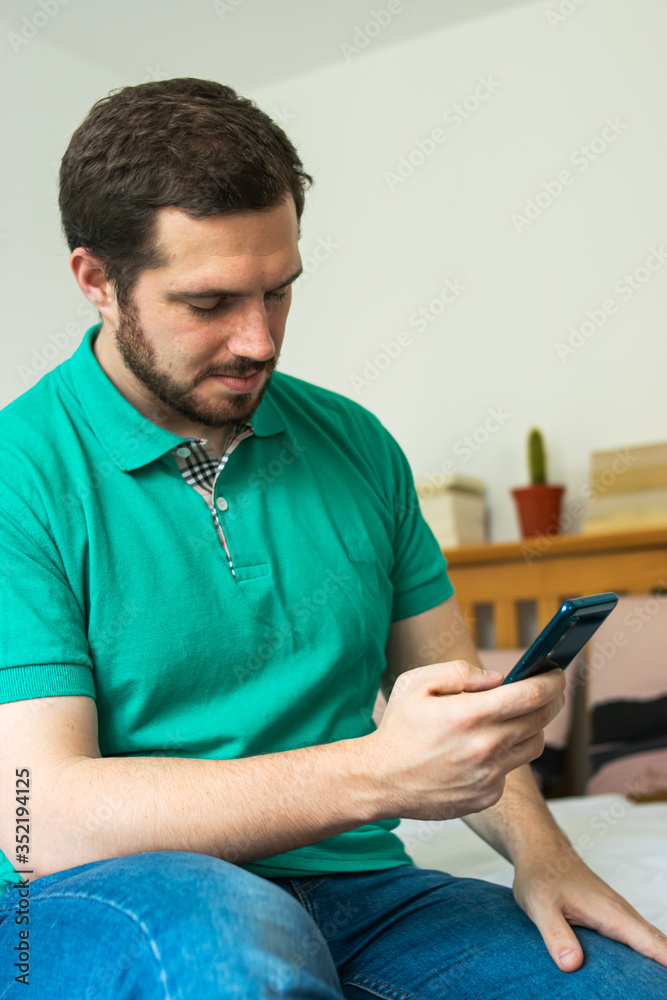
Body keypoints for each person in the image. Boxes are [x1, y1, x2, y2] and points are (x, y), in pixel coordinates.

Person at [0, 77, 665, 1000]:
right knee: (234, 960)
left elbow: (458, 704)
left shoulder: (354, 444)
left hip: (365, 891)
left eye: (279, 291)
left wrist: (543, 853)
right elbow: (39, 823)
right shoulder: (18, 471)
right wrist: (380, 773)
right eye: (210, 303)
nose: (259, 339)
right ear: (96, 282)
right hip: (105, 892)